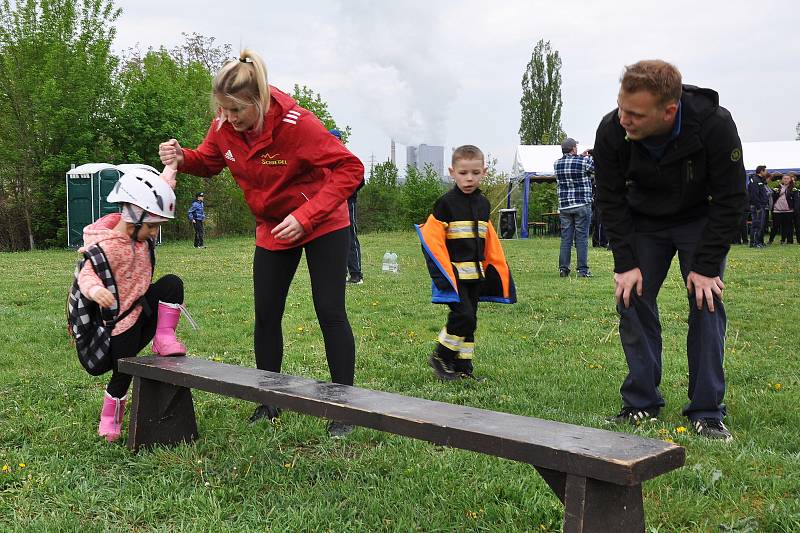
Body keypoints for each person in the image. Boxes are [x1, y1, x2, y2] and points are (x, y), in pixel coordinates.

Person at [159, 49, 364, 438]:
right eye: (223, 111)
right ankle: (268, 401)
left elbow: (350, 168)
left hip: (321, 222)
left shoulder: (297, 123)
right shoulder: (224, 126)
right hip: (272, 228)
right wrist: (182, 158)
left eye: (237, 111)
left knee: (329, 310)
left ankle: (344, 409)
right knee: (266, 314)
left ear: (259, 99)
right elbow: (210, 159)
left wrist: (306, 216)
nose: (229, 119)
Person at [593, 60, 746, 441]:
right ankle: (641, 402)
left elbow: (731, 199)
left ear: (669, 111)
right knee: (632, 297)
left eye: (636, 114)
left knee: (706, 300)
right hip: (643, 220)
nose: (624, 119)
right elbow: (609, 199)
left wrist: (707, 265)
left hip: (699, 219)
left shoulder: (714, 125)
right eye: (621, 107)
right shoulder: (612, 130)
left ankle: (707, 411)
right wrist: (626, 263)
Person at [78, 164, 188, 442]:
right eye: (151, 227)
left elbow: (156, 192)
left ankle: (163, 337)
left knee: (172, 284)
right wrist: (95, 291)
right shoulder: (105, 247)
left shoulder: (139, 223)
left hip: (143, 309)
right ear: (133, 215)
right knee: (124, 371)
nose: (153, 234)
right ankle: (110, 419)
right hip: (120, 326)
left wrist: (171, 166)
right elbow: (86, 275)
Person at [416, 145, 516, 380]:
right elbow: (431, 240)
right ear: (452, 172)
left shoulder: (483, 204)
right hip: (455, 276)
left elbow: (487, 241)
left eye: (475, 172)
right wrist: (441, 275)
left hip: (476, 276)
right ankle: (442, 356)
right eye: (463, 173)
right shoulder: (445, 204)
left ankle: (463, 369)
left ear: (484, 172)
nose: (469, 178)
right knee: (463, 316)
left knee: (471, 322)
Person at [554, 137, 595, 277]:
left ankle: (563, 269)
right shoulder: (584, 161)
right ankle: (582, 270)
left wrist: (580, 157)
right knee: (581, 238)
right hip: (582, 204)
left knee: (566, 238)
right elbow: (596, 167)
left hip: (565, 206)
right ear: (573, 149)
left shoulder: (557, 164)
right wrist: (587, 156)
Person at [330, 128, 365, 285]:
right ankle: (339, 273)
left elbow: (360, 180)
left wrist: (348, 193)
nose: (333, 142)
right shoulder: (326, 158)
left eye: (336, 139)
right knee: (333, 237)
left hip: (347, 202)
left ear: (341, 140)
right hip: (331, 203)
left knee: (350, 236)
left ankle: (356, 274)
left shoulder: (348, 157)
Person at [748, 166, 770, 248]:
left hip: (762, 205)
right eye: (765, 171)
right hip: (757, 206)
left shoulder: (760, 180)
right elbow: (754, 195)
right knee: (756, 224)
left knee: (761, 225)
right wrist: (758, 206)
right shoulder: (755, 180)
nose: (766, 173)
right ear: (761, 171)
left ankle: (759, 242)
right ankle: (754, 243)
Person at [770, 174, 796, 244]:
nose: (786, 180)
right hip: (777, 210)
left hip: (789, 210)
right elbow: (773, 198)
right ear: (782, 179)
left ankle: (787, 240)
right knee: (775, 226)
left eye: (787, 178)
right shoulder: (777, 187)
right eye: (784, 178)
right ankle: (770, 240)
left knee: (788, 226)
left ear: (790, 180)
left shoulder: (793, 188)